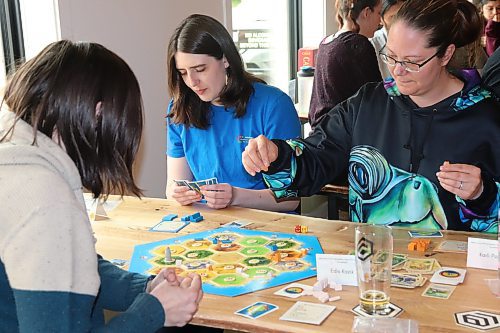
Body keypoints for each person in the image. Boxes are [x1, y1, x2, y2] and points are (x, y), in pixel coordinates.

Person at [242, 0, 500, 233]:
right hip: (373, 268)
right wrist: (277, 156)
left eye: (412, 61)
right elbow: (316, 159)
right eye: (391, 56)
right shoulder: (368, 104)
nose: (398, 71)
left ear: (446, 54)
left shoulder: (485, 117)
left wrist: (483, 193)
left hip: (454, 276)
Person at [0, 40, 203, 332]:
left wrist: (141, 288)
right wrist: (153, 312)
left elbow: (68, 265)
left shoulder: (15, 152)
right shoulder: (45, 199)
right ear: (98, 114)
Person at [165, 14, 301, 212]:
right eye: (183, 73)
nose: (192, 82)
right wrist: (177, 193)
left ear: (226, 60)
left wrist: (236, 196)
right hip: (207, 226)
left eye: (200, 69)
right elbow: (172, 187)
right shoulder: (179, 109)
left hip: (269, 227)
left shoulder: (274, 105)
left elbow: (290, 199)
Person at [308, 0, 382, 130]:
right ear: (366, 12)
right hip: (344, 135)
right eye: (378, 13)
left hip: (323, 132)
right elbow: (376, 95)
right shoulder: (357, 44)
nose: (380, 21)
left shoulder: (326, 42)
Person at [371, 0, 407, 79]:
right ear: (381, 20)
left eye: (403, 14)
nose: (400, 20)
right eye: (393, 17)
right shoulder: (373, 44)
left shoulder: (415, 38)